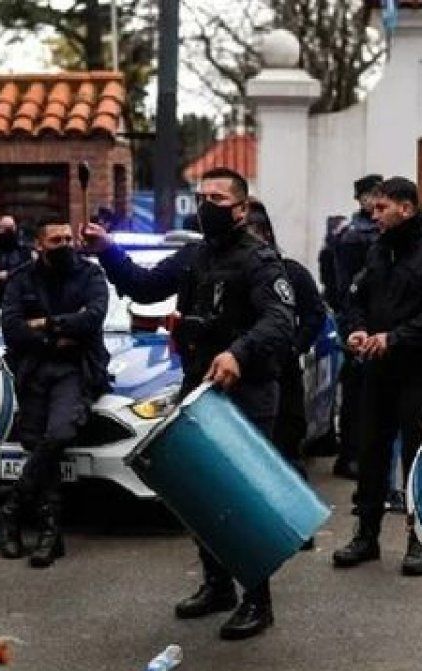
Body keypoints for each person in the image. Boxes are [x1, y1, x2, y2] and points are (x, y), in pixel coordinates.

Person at [81, 167, 294, 640]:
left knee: (241, 500)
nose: (206, 206)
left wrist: (238, 353)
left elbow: (280, 320)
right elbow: (144, 286)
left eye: (217, 198)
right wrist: (107, 250)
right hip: (199, 387)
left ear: (241, 209)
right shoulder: (193, 255)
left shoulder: (260, 260)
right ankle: (216, 586)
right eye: (201, 197)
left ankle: (257, 599)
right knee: (199, 493)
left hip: (247, 391)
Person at [332, 177, 422, 577]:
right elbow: (355, 298)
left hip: (419, 368)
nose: (373, 215)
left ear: (405, 208)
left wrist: (394, 338)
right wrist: (357, 329)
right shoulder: (379, 249)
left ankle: (418, 539)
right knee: (371, 451)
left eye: (381, 208)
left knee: (415, 456)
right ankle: (366, 534)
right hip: (377, 368)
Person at [0, 217, 109, 568]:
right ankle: (49, 533)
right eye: (56, 240)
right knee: (35, 443)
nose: (65, 245)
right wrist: (55, 335)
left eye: (68, 239)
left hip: (76, 369)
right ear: (39, 245)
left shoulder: (91, 275)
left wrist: (45, 323)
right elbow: (12, 329)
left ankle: (11, 510)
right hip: (32, 370)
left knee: (58, 434)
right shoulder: (21, 279)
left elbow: (92, 319)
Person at [246, 201, 326, 491]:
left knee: (285, 452)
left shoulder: (290, 273)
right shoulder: (231, 271)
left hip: (282, 372)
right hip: (243, 373)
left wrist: (295, 347)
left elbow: (315, 314)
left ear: (265, 233)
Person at [330, 174, 382, 479]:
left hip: (373, 318)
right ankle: (350, 455)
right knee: (357, 393)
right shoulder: (353, 236)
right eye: (372, 195)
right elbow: (345, 286)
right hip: (358, 319)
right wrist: (350, 324)